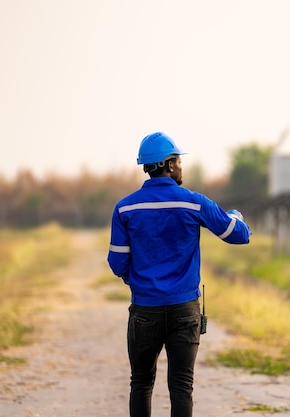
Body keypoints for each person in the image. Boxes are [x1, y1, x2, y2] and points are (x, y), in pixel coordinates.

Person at [107, 132, 251, 417]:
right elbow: (238, 235)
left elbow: (117, 262)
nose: (181, 167)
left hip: (144, 311)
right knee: (182, 386)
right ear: (169, 165)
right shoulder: (194, 203)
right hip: (184, 310)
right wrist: (235, 216)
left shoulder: (125, 207)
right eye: (178, 161)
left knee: (140, 383)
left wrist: (135, 280)